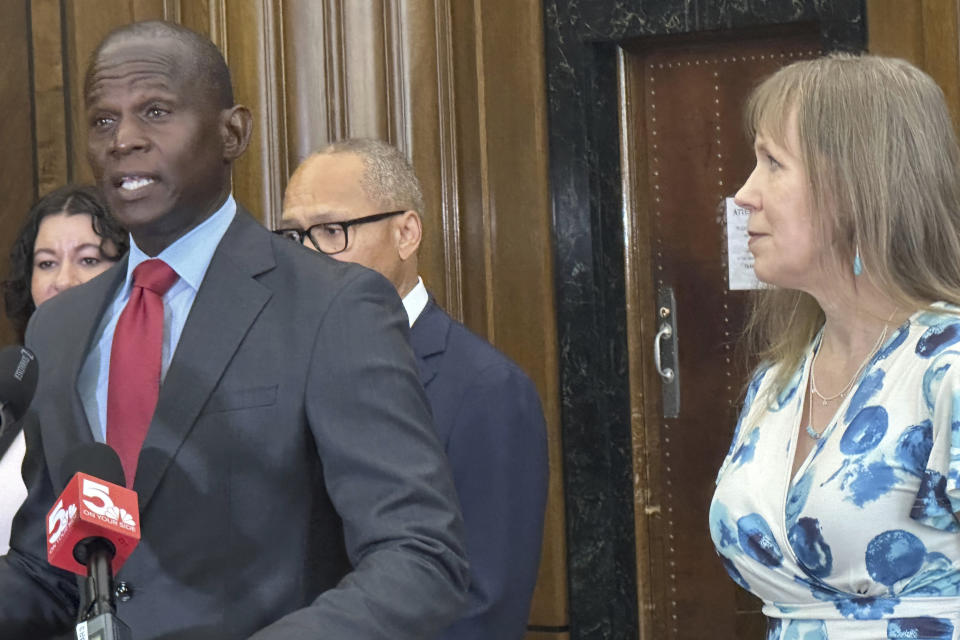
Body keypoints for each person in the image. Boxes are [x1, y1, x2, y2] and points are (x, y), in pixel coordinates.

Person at [0, 20, 468, 640]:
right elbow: (50, 566)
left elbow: (420, 558)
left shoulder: (334, 307)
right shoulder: (59, 330)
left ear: (232, 132)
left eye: (156, 111)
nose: (124, 141)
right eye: (104, 121)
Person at [710, 54, 960, 638]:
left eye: (773, 162)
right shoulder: (777, 383)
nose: (744, 194)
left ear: (855, 188)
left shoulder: (948, 366)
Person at [279, 138, 549, 639]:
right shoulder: (282, 364)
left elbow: (483, 605)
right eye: (293, 236)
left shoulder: (488, 389)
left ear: (406, 233)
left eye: (332, 230)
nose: (308, 254)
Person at [0, 184, 126, 556]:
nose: (64, 282)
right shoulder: (13, 385)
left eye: (88, 260)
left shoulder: (140, 387)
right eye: (46, 263)